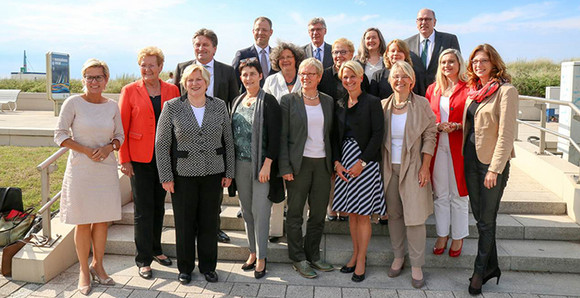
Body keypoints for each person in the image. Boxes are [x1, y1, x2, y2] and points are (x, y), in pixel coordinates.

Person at [156, 64, 235, 284]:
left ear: (207, 83)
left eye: (199, 79)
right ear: (183, 83)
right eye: (190, 80)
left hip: (213, 173)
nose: (194, 83)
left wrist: (230, 171)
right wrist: (166, 176)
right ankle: (185, 268)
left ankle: (208, 267)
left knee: (209, 223)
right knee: (184, 224)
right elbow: (162, 144)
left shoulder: (219, 106)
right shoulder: (171, 107)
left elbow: (228, 141)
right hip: (183, 175)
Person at [54, 58, 124, 296]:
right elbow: (60, 135)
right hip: (81, 169)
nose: (94, 81)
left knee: (101, 221)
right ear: (83, 80)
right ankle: (84, 270)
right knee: (83, 222)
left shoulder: (112, 105)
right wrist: (85, 150)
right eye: (90, 77)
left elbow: (120, 136)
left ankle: (98, 265)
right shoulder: (73, 103)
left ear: (106, 80)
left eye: (99, 77)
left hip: (105, 170)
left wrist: (108, 148)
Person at [118, 46, 180, 279]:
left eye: (151, 65)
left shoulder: (172, 90)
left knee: (158, 206)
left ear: (161, 67)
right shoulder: (129, 90)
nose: (147, 69)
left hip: (165, 159)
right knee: (143, 210)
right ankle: (143, 259)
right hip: (139, 159)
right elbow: (121, 128)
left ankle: (156, 249)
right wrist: (124, 159)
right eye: (143, 65)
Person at [174, 28, 239, 243]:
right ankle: (191, 229)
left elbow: (233, 102)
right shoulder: (181, 68)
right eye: (197, 44)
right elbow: (174, 102)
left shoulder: (228, 71)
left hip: (216, 138)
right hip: (186, 141)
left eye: (205, 45)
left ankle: (214, 227)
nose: (201, 48)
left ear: (214, 48)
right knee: (189, 195)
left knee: (214, 192)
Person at [464, 44, 518, 295]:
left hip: (490, 165)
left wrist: (494, 169)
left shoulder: (506, 91)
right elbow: (473, 126)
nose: (478, 65)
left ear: (494, 62)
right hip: (470, 161)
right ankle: (492, 266)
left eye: (483, 60)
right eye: (475, 61)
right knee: (481, 219)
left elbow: (507, 135)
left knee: (486, 220)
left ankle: (479, 272)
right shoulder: (474, 91)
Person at [381, 61, 436, 289]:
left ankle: (416, 265)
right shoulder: (383, 105)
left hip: (413, 168)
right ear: (390, 80)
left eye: (404, 76)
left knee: (414, 219)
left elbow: (430, 134)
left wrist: (425, 166)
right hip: (388, 168)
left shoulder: (422, 104)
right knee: (394, 215)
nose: (400, 80)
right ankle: (398, 257)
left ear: (412, 81)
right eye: (395, 76)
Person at [279, 58, 335, 279]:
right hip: (298, 165)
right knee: (294, 213)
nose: (305, 77)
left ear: (319, 77)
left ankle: (313, 254)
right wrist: (285, 166)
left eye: (311, 74)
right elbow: (282, 137)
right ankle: (298, 257)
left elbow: (332, 135)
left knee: (319, 213)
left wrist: (333, 164)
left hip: (322, 164)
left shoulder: (329, 101)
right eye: (302, 73)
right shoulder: (288, 101)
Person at [332, 61, 385, 282]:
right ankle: (354, 254)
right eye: (345, 77)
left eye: (353, 76)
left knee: (363, 215)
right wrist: (336, 162)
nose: (349, 80)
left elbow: (377, 135)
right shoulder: (340, 103)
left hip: (365, 164)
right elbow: (334, 135)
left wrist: (361, 163)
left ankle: (362, 260)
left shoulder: (372, 103)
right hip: (344, 163)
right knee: (351, 214)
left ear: (361, 77)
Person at [231, 58, 282, 279]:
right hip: (240, 165)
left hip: (262, 166)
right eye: (245, 74)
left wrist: (267, 164)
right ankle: (252, 252)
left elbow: (276, 137)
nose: (248, 78)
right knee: (248, 211)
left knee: (261, 212)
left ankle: (262, 258)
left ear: (260, 75)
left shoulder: (269, 102)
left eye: (253, 73)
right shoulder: (236, 101)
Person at [425, 48, 469, 258]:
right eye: (443, 62)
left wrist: (457, 126)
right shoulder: (433, 89)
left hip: (458, 147)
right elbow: (426, 118)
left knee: (459, 194)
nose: (447, 66)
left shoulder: (470, 88)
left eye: (451, 61)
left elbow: (474, 118)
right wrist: (437, 125)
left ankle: (458, 236)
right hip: (437, 147)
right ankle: (442, 234)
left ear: (459, 64)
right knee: (440, 194)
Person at [318, 37, 368, 222]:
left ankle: (347, 208)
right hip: (328, 129)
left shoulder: (360, 75)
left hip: (353, 133)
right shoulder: (324, 75)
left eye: (343, 52)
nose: (339, 55)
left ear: (352, 54)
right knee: (332, 168)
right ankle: (332, 208)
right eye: (335, 52)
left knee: (349, 168)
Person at [263, 41, 305, 242]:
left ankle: (298, 230)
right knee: (277, 187)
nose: (286, 60)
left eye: (289, 57)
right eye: (282, 58)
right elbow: (265, 108)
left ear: (296, 59)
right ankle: (276, 230)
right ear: (277, 61)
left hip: (300, 142)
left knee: (299, 189)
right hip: (277, 139)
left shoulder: (304, 78)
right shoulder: (271, 81)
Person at [405, 8, 461, 96]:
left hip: (443, 93)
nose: (423, 22)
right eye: (420, 19)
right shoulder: (407, 44)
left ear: (434, 22)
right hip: (415, 96)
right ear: (416, 23)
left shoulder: (449, 40)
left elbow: (458, 66)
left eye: (427, 19)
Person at [232, 16, 277, 90]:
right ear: (253, 32)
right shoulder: (242, 55)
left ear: (271, 32)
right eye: (257, 29)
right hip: (251, 100)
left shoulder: (277, 55)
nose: (260, 33)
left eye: (264, 30)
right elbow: (234, 84)